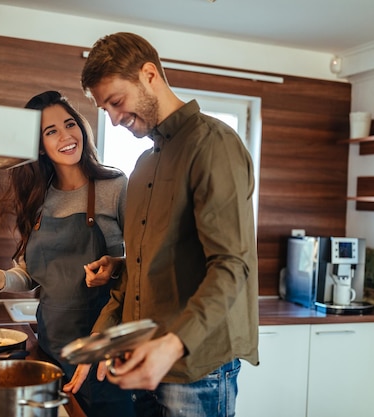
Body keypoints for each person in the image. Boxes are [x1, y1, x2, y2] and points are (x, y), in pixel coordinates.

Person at [64, 32, 259, 417]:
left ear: (149, 74)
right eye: (105, 109)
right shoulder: (143, 166)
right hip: (147, 364)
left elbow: (232, 265)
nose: (114, 120)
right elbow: (142, 267)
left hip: (196, 369)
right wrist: (100, 340)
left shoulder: (213, 145)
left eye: (116, 102)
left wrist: (171, 345)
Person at [0, 90, 135, 417]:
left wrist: (115, 265)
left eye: (70, 124)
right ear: (40, 145)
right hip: (51, 349)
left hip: (103, 350)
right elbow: (28, 273)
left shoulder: (115, 185)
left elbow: (144, 260)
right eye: (51, 131)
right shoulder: (38, 198)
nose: (66, 136)